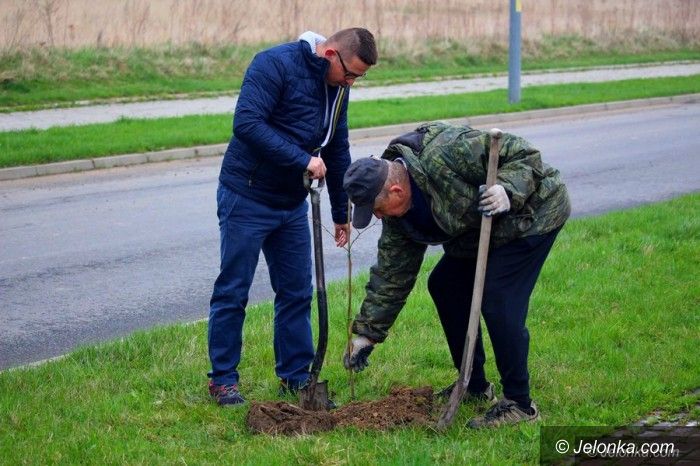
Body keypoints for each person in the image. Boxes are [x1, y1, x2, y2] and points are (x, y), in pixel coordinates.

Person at [341, 121, 570, 427]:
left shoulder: (446, 151)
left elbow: (525, 156)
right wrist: (367, 334)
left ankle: (519, 404)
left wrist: (506, 189)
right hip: (477, 232)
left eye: (378, 209)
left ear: (396, 190)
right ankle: (473, 385)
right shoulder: (398, 218)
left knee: (498, 298)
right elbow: (392, 274)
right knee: (445, 285)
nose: (378, 217)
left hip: (530, 217)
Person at [208, 28, 378, 406]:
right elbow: (247, 124)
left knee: (297, 292)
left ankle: (296, 378)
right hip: (246, 195)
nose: (351, 83)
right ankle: (223, 380)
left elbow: (337, 148)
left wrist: (341, 211)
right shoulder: (273, 64)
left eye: (358, 78)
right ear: (330, 54)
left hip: (291, 203)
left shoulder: (338, 88)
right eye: (350, 74)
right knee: (234, 290)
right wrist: (303, 159)